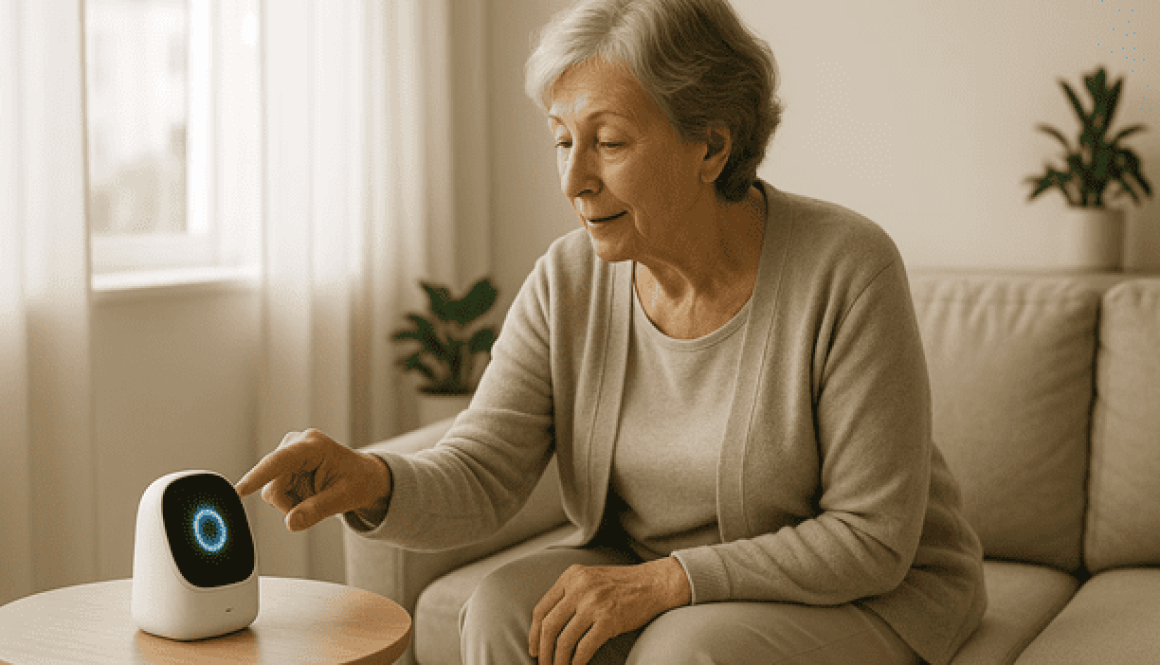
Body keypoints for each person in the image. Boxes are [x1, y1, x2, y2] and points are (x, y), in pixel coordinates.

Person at [235, 0, 987, 663]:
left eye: (611, 142)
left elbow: (871, 537)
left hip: (872, 592)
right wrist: (374, 479)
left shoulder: (847, 266)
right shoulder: (568, 280)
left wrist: (668, 581)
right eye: (564, 140)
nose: (573, 180)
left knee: (683, 650)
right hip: (656, 573)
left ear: (712, 147)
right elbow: (486, 467)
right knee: (504, 607)